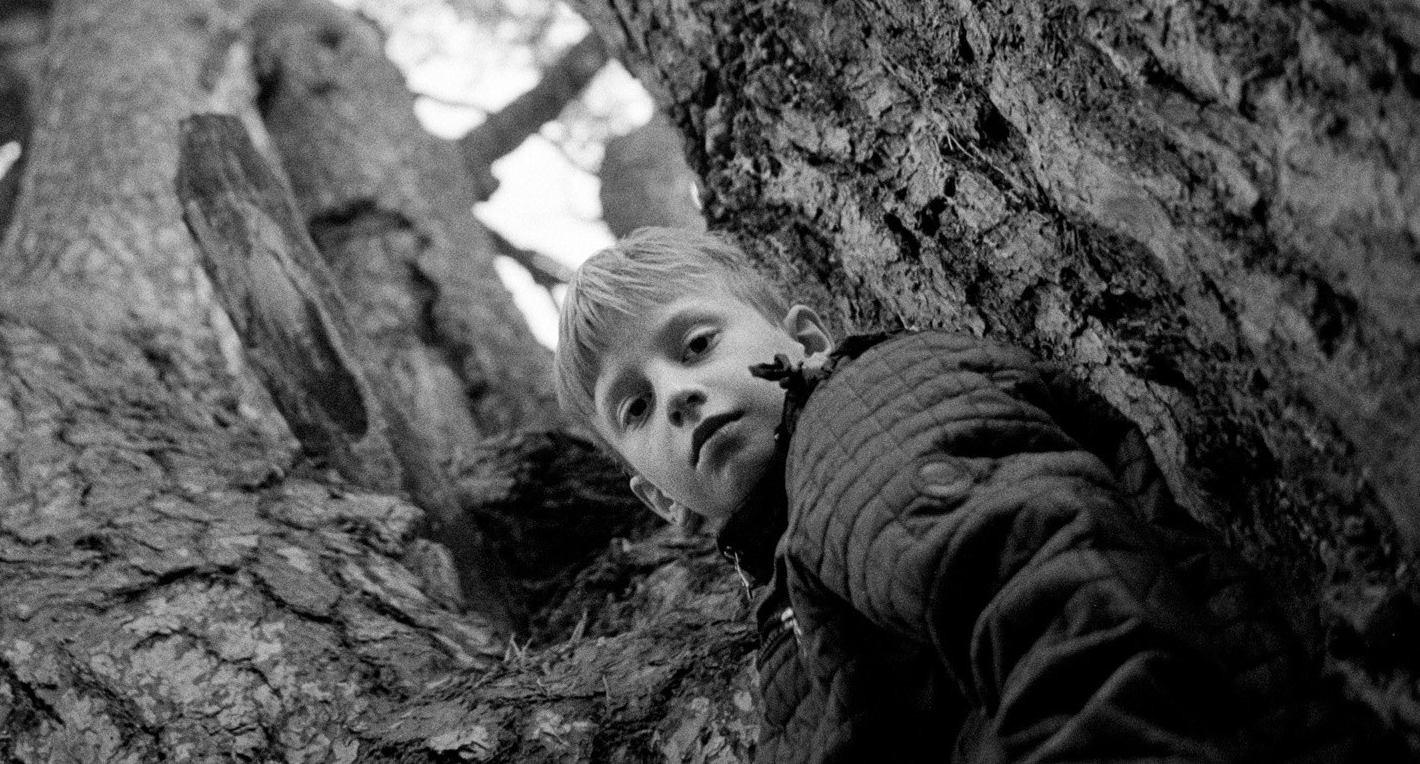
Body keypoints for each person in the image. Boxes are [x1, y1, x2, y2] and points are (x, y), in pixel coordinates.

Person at [556, 227, 1373, 764]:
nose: (678, 394)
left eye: (698, 344)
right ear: (658, 499)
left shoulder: (862, 417)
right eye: (635, 406)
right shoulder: (791, 582)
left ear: (807, 344)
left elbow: (1065, 603)